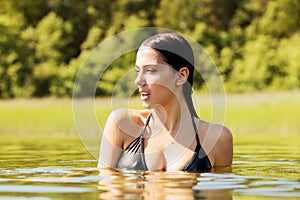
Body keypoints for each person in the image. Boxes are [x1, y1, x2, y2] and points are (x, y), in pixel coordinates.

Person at [98, 32, 233, 172]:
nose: (138, 81)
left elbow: (219, 188)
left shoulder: (217, 138)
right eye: (138, 71)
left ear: (181, 76)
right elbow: (108, 186)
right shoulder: (122, 124)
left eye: (150, 70)